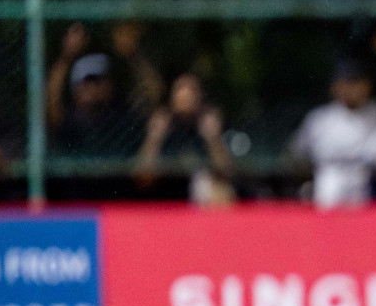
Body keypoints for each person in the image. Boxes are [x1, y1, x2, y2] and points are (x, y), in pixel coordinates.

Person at [290, 26, 376, 208]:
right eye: (346, 82)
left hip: (373, 196)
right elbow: (295, 158)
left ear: (367, 85)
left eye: (357, 82)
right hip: (330, 195)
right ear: (335, 86)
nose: (352, 88)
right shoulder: (319, 120)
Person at [134, 72, 235, 205]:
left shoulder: (206, 124)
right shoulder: (164, 125)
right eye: (180, 89)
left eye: (191, 90)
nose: (186, 95)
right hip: (164, 197)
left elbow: (227, 175)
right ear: (172, 96)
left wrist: (213, 140)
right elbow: (142, 179)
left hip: (203, 200)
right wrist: (154, 139)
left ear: (200, 96)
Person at [46, 23, 139, 156]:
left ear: (110, 86)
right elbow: (51, 108)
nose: (92, 87)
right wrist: (66, 57)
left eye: (98, 81)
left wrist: (133, 56)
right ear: (75, 88)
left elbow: (150, 97)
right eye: (86, 82)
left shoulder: (120, 118)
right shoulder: (69, 121)